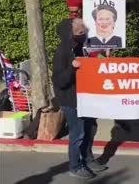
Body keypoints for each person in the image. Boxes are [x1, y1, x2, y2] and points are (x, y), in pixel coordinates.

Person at [52, 18, 107, 179]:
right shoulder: (62, 51)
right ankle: (75, 166)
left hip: (85, 98)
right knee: (78, 134)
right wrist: (73, 67)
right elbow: (60, 81)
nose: (83, 31)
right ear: (69, 33)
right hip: (72, 101)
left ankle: (88, 159)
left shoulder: (80, 48)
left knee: (90, 130)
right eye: (79, 30)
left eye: (83, 30)